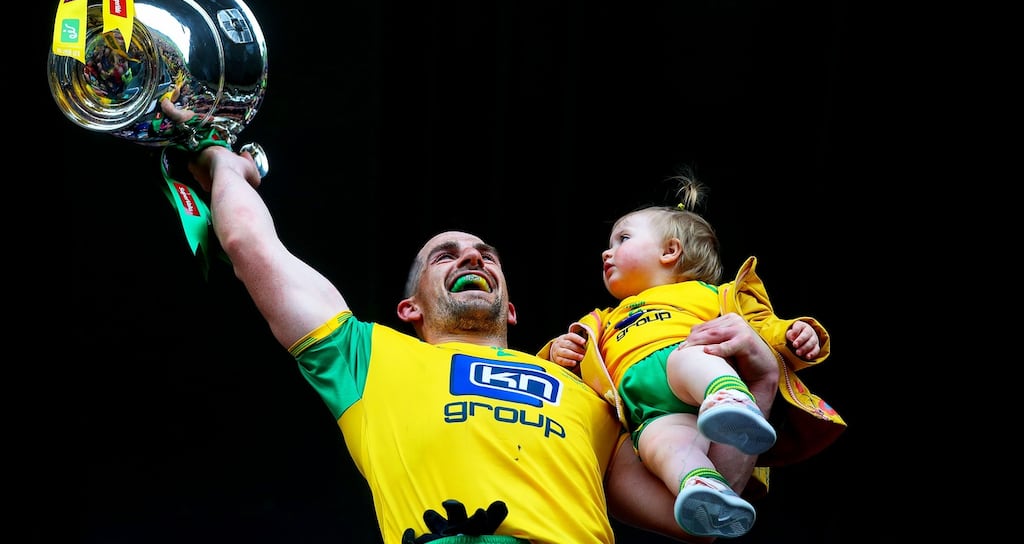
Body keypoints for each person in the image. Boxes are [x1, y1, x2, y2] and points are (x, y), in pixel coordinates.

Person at [186, 144, 783, 544]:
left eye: (486, 256)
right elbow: (251, 246)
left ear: (511, 307)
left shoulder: (592, 399)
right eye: (445, 255)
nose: (471, 256)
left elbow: (708, 513)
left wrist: (760, 384)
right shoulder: (363, 358)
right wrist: (223, 164)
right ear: (408, 309)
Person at [540, 170, 846, 538]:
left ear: (670, 251)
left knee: (690, 358)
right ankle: (702, 485)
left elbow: (763, 328)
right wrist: (559, 351)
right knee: (660, 445)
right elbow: (554, 380)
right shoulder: (601, 320)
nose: (607, 251)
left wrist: (798, 334)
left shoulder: (711, 295)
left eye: (622, 238)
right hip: (645, 409)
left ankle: (730, 399)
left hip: (684, 364)